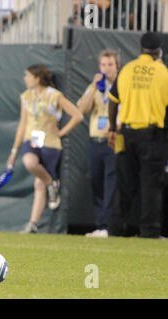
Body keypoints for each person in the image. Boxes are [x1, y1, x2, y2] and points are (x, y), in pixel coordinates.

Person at [7, 65, 83, 234]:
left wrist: (62, 132)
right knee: (29, 162)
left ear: (38, 78)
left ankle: (33, 224)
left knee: (39, 184)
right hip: (31, 140)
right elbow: (22, 124)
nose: (25, 79)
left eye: (28, 76)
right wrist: (14, 151)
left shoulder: (54, 95)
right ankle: (53, 184)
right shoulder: (26, 96)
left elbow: (77, 115)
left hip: (50, 142)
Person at [108, 32, 168, 239]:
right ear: (159, 51)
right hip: (152, 135)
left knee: (124, 183)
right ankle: (149, 231)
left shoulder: (127, 69)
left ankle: (116, 229)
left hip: (125, 133)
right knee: (151, 184)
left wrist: (111, 129)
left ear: (141, 49)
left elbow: (113, 100)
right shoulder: (163, 72)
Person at [77, 49, 120, 238]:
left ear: (117, 66)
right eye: (103, 65)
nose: (106, 69)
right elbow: (82, 109)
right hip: (95, 141)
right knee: (96, 181)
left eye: (110, 65)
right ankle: (100, 225)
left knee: (111, 183)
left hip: (114, 139)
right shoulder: (96, 86)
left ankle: (108, 226)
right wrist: (93, 86)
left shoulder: (122, 85)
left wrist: (114, 127)